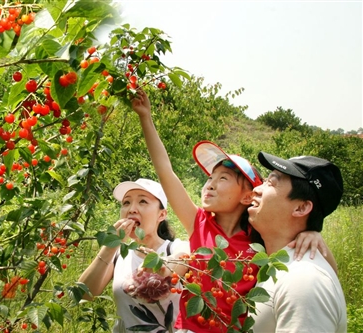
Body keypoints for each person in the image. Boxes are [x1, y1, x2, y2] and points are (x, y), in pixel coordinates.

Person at [131, 89, 336, 332]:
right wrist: (146, 117)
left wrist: (313, 233)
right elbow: (165, 171)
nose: (210, 184)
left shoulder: (260, 239)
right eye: (210, 177)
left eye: (224, 178)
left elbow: (325, 272)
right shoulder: (200, 223)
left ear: (248, 196)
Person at [248, 152, 347, 332]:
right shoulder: (281, 266)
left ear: (301, 207)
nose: (257, 189)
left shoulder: (304, 281)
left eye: (271, 183)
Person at [78, 178, 190, 332]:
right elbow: (84, 294)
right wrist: (110, 246)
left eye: (143, 201)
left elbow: (183, 257)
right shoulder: (118, 254)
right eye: (126, 203)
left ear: (162, 215)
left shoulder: (175, 247)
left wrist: (160, 266)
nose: (131, 209)